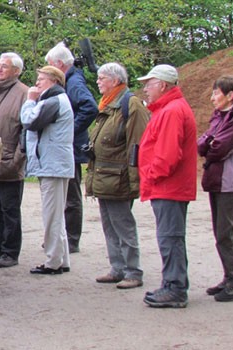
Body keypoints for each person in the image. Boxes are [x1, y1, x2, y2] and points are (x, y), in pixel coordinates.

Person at [136, 64, 197, 308]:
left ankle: (175, 287)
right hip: (167, 185)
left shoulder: (171, 111)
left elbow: (168, 155)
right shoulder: (169, 108)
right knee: (170, 237)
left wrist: (149, 176)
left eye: (148, 84)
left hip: (168, 186)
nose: (145, 89)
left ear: (162, 85)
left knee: (170, 237)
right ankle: (172, 284)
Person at [85, 62, 150, 290]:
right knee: (109, 225)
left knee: (123, 225)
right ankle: (117, 268)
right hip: (105, 176)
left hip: (118, 177)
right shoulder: (109, 106)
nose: (98, 82)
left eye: (102, 78)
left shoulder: (130, 105)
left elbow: (138, 145)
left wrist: (135, 182)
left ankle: (133, 271)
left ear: (115, 80)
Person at [198, 75, 233, 302]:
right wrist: (208, 142)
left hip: (230, 182)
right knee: (220, 232)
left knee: (225, 233)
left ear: (230, 95)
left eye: (216, 93)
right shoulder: (220, 117)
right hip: (218, 180)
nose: (212, 98)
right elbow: (203, 143)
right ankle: (229, 278)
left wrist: (209, 143)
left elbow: (218, 147)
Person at [21, 66, 75, 276]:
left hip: (53, 164)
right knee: (56, 214)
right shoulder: (58, 100)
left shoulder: (53, 101)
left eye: (41, 79)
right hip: (56, 163)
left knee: (51, 215)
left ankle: (53, 261)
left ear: (53, 80)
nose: (37, 83)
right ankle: (62, 258)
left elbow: (29, 122)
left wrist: (29, 100)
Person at [46, 43, 98, 253]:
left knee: (71, 194)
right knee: (67, 193)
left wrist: (69, 129)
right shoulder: (72, 79)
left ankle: (72, 239)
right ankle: (65, 238)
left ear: (59, 64)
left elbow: (90, 107)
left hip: (71, 146)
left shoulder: (74, 82)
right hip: (70, 145)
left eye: (50, 65)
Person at [0, 52, 29, 268]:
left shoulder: (24, 93)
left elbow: (26, 131)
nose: (0, 69)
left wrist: (16, 160)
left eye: (5, 66)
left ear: (16, 71)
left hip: (11, 162)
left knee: (10, 210)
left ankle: (10, 252)